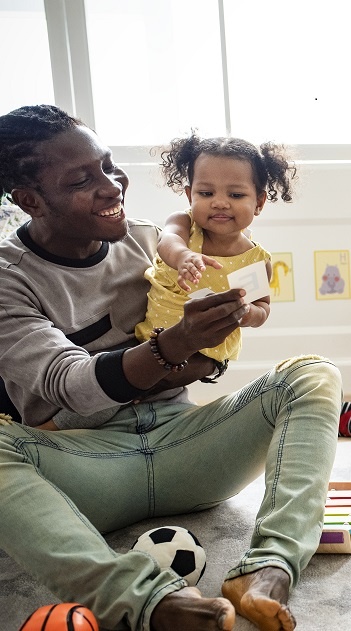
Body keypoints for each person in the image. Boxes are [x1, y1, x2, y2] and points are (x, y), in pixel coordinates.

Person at [0, 104, 342, 631]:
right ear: (29, 200)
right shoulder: (8, 279)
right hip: (87, 463)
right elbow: (70, 386)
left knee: (313, 373)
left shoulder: (148, 241)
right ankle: (142, 602)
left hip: (185, 443)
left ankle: (270, 568)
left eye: (110, 166)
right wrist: (174, 346)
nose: (112, 186)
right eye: (82, 179)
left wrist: (215, 339)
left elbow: (214, 347)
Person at [136, 134, 296, 363]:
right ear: (190, 195)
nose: (220, 202)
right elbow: (167, 241)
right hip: (155, 339)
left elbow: (262, 307)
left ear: (259, 203)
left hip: (209, 352)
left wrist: (247, 313)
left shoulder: (255, 261)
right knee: (149, 380)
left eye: (236, 194)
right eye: (206, 193)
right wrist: (184, 256)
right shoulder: (184, 224)